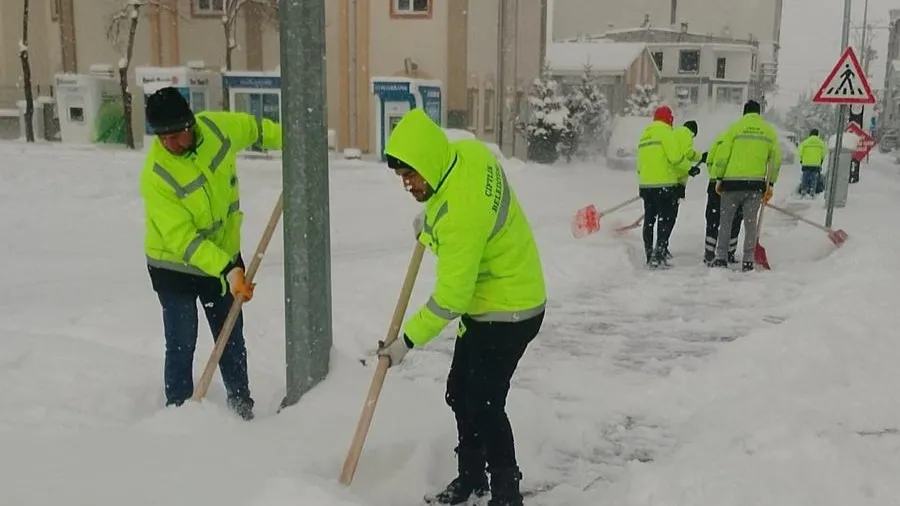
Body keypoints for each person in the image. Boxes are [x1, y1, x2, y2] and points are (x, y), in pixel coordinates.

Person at [376, 108, 546, 506]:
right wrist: (431, 222)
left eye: (410, 175)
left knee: (486, 404)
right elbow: (459, 210)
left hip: (509, 310)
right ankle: (472, 477)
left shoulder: (459, 216)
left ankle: (506, 492)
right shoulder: (469, 154)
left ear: (428, 164)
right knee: (459, 392)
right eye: (402, 177)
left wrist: (406, 343)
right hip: (494, 297)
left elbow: (451, 297)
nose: (407, 185)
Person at [139, 86, 283, 420]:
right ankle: (178, 414)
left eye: (177, 135)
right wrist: (227, 269)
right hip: (172, 266)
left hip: (223, 257)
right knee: (181, 341)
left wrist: (295, 142)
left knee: (230, 337)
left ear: (191, 124)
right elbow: (183, 239)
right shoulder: (156, 175)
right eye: (163, 139)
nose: (171, 144)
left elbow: (257, 129)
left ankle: (241, 407)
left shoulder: (217, 129)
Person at [711, 100, 781, 272]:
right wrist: (770, 183)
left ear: (744, 112)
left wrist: (718, 177)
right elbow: (775, 161)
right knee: (751, 224)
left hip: (731, 184)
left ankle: (720, 257)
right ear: (759, 113)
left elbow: (722, 155)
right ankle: (748, 260)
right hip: (755, 186)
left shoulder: (734, 128)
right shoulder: (769, 132)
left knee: (726, 222)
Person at [635, 105, 689, 268]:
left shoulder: (645, 135)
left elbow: (640, 163)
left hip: (646, 185)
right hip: (665, 184)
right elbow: (676, 158)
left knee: (649, 220)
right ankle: (659, 255)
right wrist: (689, 168)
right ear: (669, 119)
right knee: (665, 220)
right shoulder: (666, 133)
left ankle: (649, 254)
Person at [703, 129, 742, 265]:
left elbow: (709, 161)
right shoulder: (739, 142)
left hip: (715, 183)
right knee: (734, 219)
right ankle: (729, 253)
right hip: (733, 184)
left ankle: (709, 252)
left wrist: (715, 176)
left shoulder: (719, 140)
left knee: (713, 218)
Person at [669, 119, 705, 258]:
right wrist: (699, 159)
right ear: (693, 131)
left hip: (670, 177)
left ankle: (662, 245)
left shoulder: (675, 133)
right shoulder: (686, 133)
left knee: (665, 215)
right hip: (677, 180)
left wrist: (700, 157)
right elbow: (687, 153)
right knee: (670, 216)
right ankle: (662, 246)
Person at [797, 128, 827, 197]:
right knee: (814, 178)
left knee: (805, 177)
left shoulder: (805, 142)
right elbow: (823, 153)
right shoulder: (821, 143)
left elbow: (800, 152)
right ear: (817, 134)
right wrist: (820, 161)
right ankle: (812, 190)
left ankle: (803, 190)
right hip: (816, 164)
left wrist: (802, 160)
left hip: (806, 163)